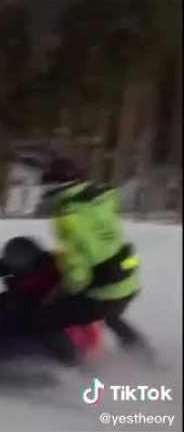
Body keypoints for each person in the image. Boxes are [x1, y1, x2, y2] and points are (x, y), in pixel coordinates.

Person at [35, 152, 153, 363]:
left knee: (45, 320)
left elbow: (77, 275)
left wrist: (60, 293)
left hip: (104, 293)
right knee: (111, 316)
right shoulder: (101, 200)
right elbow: (99, 242)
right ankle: (147, 358)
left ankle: (73, 370)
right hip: (128, 283)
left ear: (54, 185)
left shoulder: (68, 216)